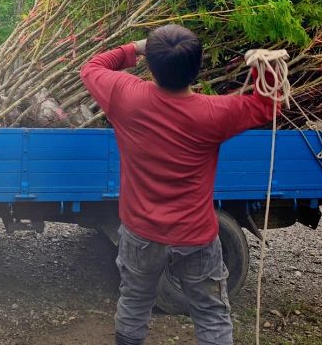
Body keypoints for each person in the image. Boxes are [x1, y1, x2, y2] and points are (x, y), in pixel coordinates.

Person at [80, 24, 278, 345]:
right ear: (197, 68)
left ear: (152, 66)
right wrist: (263, 70)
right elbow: (267, 104)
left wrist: (136, 48)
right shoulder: (213, 112)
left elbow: (91, 67)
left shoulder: (126, 96)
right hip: (196, 237)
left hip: (141, 233)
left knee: (134, 304)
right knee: (211, 313)